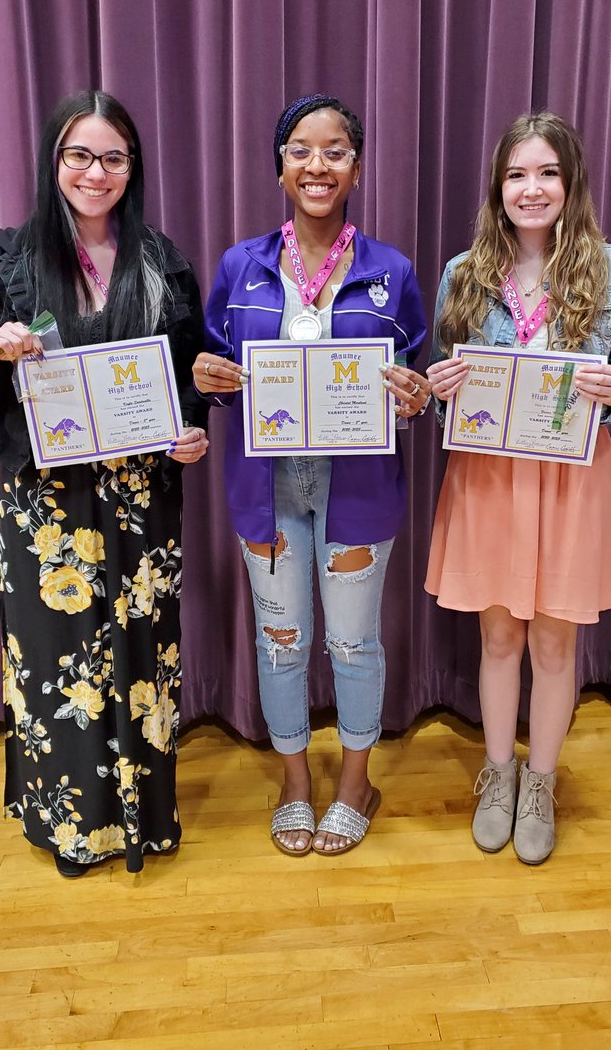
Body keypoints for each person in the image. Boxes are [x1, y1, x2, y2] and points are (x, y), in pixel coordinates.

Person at [0, 90, 208, 876]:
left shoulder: (162, 261)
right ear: (54, 162)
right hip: (46, 504)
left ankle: (145, 821)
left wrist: (192, 429)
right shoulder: (6, 259)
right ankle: (73, 829)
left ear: (133, 169)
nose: (96, 172)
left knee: (139, 658)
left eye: (113, 158)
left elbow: (187, 377)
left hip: (141, 497)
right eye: (80, 155)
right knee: (60, 661)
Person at [194, 94, 430, 856]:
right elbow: (213, 366)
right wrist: (207, 377)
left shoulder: (391, 271)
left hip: (357, 488)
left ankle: (356, 781)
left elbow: (416, 380)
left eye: (334, 151)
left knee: (355, 645)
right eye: (301, 149)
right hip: (267, 490)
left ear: (356, 168)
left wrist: (414, 398)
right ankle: (296, 782)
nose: (317, 164)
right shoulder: (243, 265)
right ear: (281, 167)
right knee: (281, 641)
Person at [425, 111, 611, 865]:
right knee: (497, 633)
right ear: (499, 186)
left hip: (573, 481)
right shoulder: (464, 271)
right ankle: (498, 772)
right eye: (517, 174)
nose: (532, 188)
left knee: (555, 640)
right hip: (489, 478)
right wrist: (442, 385)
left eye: (547, 172)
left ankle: (541, 781)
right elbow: (443, 384)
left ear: (570, 182)